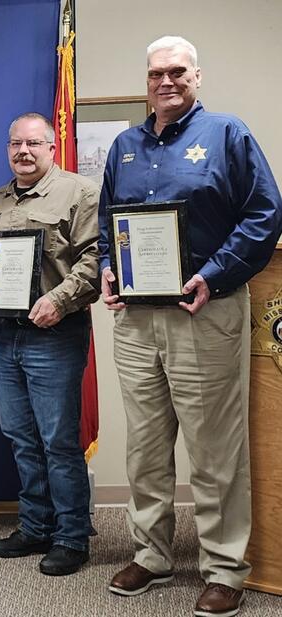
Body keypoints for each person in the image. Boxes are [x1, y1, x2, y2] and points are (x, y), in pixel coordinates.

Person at [98, 36, 282, 616]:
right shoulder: (124, 146)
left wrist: (215, 274)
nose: (166, 81)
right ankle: (151, 554)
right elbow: (108, 222)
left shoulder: (228, 134)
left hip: (204, 312)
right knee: (146, 446)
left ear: (196, 76)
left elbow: (265, 214)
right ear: (146, 81)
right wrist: (107, 268)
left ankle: (224, 566)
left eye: (178, 71)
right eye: (156, 73)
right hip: (136, 319)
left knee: (213, 448)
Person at [0, 112, 99, 575]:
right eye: (15, 144)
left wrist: (59, 302)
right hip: (7, 337)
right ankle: (35, 525)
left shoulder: (80, 192)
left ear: (51, 146)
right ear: (8, 149)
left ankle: (71, 536)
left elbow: (94, 260)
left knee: (58, 441)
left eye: (33, 144)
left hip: (55, 334)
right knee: (22, 438)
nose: (23, 151)